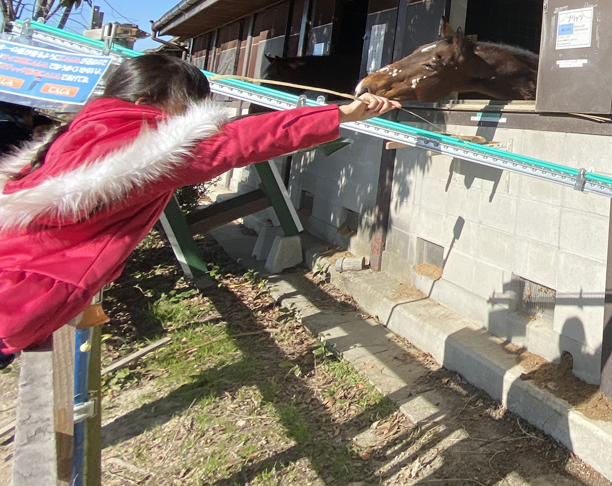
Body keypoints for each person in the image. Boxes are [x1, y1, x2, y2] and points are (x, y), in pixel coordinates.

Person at [0, 54, 399, 368]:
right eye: (186, 106)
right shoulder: (148, 150)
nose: (192, 117)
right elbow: (242, 140)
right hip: (21, 299)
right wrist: (344, 114)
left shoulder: (74, 136)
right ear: (144, 102)